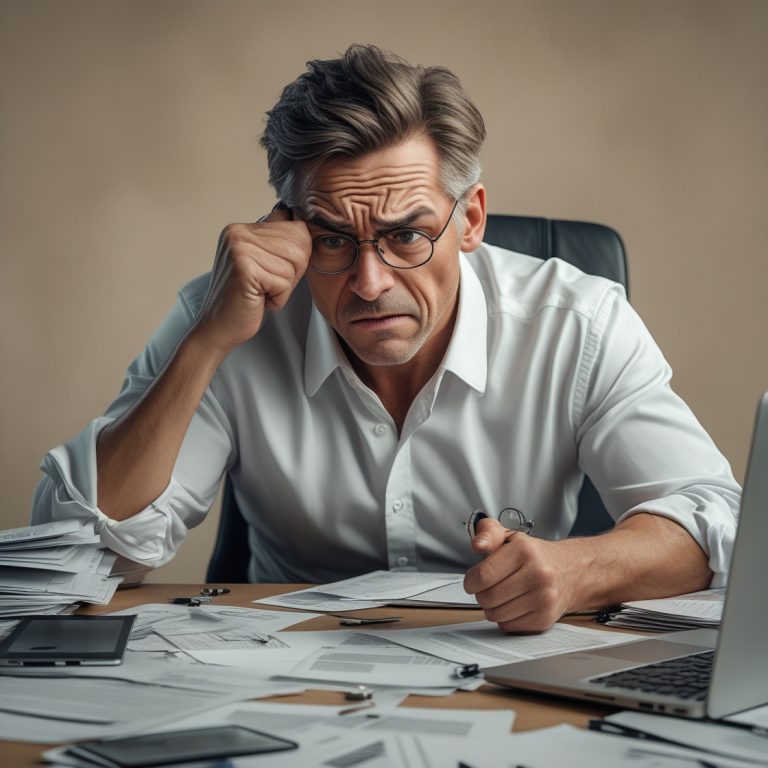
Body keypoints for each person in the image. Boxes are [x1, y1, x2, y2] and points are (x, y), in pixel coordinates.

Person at [32, 44, 740, 632]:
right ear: (287, 226)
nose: (369, 282)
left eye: (406, 234)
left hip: (508, 671)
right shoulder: (227, 317)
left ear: (471, 220)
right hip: (278, 683)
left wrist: (578, 571)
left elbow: (719, 525)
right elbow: (78, 554)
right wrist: (205, 344)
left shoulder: (578, 323)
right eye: (332, 238)